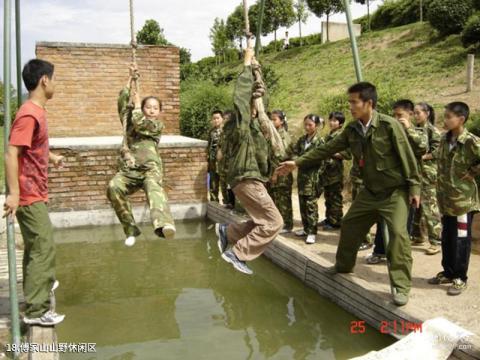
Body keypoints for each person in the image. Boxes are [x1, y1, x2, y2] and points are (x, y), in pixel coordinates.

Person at [277, 82, 421, 306]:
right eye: (350, 102)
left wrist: (414, 188)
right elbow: (327, 149)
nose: (351, 106)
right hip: (369, 192)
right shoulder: (352, 129)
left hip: (394, 193)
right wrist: (296, 162)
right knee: (350, 226)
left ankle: (401, 287)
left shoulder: (389, 125)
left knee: (398, 236)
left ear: (369, 103)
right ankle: (343, 266)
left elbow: (407, 157)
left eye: (354, 102)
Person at [4, 59, 65, 325]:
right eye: (54, 78)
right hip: (28, 195)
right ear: (44, 80)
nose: (55, 83)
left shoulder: (37, 111)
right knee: (43, 246)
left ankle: (38, 289)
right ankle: (37, 311)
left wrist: (50, 157)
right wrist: (14, 194)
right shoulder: (29, 113)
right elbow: (10, 153)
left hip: (34, 191)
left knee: (35, 248)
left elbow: (30, 148)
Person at [215, 40, 283, 275]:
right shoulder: (240, 124)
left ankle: (228, 232)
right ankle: (237, 253)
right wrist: (246, 63)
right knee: (275, 222)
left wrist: (256, 72)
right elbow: (241, 97)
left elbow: (257, 104)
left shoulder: (253, 125)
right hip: (247, 178)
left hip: (250, 178)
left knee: (260, 221)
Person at [107, 64, 175, 247]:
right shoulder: (131, 120)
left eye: (155, 108)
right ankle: (130, 229)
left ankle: (164, 224)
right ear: (143, 108)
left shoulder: (156, 126)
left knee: (154, 188)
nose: (152, 110)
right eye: (148, 107)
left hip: (149, 170)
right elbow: (122, 104)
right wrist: (130, 79)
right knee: (113, 186)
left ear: (159, 112)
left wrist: (138, 105)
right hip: (130, 170)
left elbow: (140, 123)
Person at [365, 99, 428, 264]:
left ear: (411, 115)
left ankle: (397, 257)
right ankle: (379, 251)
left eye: (399, 115)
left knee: (402, 225)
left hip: (409, 184)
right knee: (382, 218)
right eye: (394, 115)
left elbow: (422, 148)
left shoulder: (419, 132)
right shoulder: (390, 130)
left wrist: (408, 128)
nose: (396, 118)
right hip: (390, 182)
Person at [428, 102, 479, 295]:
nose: (445, 120)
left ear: (461, 119)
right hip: (445, 200)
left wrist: (473, 172)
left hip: (463, 202)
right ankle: (448, 272)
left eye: (449, 116)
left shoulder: (470, 141)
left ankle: (460, 276)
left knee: (461, 240)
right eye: (445, 116)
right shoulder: (443, 139)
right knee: (448, 237)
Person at [412, 102, 442, 255]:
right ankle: (418, 236)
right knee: (416, 205)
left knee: (430, 207)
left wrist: (421, 157)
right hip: (416, 173)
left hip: (428, 173)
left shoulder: (433, 131)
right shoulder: (413, 129)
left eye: (418, 112)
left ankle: (436, 241)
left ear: (427, 113)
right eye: (414, 113)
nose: (415, 115)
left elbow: (438, 152)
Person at [291, 114, 326, 244]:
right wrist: (296, 160)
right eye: (305, 124)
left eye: (310, 125)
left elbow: (322, 160)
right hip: (302, 178)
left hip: (313, 178)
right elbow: (295, 152)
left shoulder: (320, 141)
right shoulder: (302, 140)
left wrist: (304, 162)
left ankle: (312, 231)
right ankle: (306, 228)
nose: (307, 127)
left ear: (316, 126)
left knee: (311, 205)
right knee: (302, 204)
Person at [320, 111, 351, 230]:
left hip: (335, 173)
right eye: (331, 120)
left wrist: (331, 153)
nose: (332, 123)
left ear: (341, 124)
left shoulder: (341, 136)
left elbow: (347, 154)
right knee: (328, 197)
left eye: (335, 121)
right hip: (327, 172)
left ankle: (336, 222)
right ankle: (329, 218)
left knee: (335, 198)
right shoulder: (329, 135)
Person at [268, 110, 294, 234]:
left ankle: (287, 225)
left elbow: (282, 157)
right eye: (271, 119)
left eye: (275, 120)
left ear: (282, 121)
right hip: (273, 172)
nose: (272, 122)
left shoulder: (283, 136)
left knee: (283, 200)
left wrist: (275, 174)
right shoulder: (273, 134)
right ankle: (278, 223)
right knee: (275, 198)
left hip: (281, 173)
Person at [207, 110, 227, 203]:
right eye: (214, 118)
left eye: (218, 118)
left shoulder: (226, 130)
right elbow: (209, 146)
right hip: (212, 161)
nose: (216, 120)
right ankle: (214, 201)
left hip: (223, 162)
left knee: (224, 184)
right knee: (213, 182)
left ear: (222, 119)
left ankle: (227, 202)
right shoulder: (211, 131)